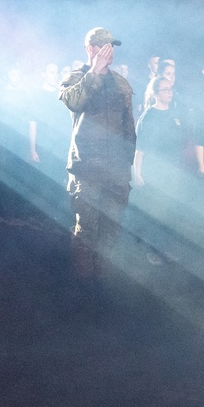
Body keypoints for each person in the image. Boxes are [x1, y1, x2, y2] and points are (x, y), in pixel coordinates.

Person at [60, 27, 136, 289]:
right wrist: (94, 71)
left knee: (112, 225)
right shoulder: (76, 78)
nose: (109, 51)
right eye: (103, 46)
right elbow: (73, 102)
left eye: (112, 46)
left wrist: (129, 163)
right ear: (89, 49)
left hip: (116, 169)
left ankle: (104, 280)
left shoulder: (121, 82)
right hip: (87, 168)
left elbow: (129, 128)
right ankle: (83, 283)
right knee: (87, 227)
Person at [132, 75, 185, 264]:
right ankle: (152, 250)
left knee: (171, 211)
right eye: (165, 90)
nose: (169, 93)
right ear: (155, 93)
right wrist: (137, 173)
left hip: (173, 170)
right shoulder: (149, 117)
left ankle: (168, 248)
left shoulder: (176, 114)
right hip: (155, 171)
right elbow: (140, 149)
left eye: (171, 89)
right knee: (156, 212)